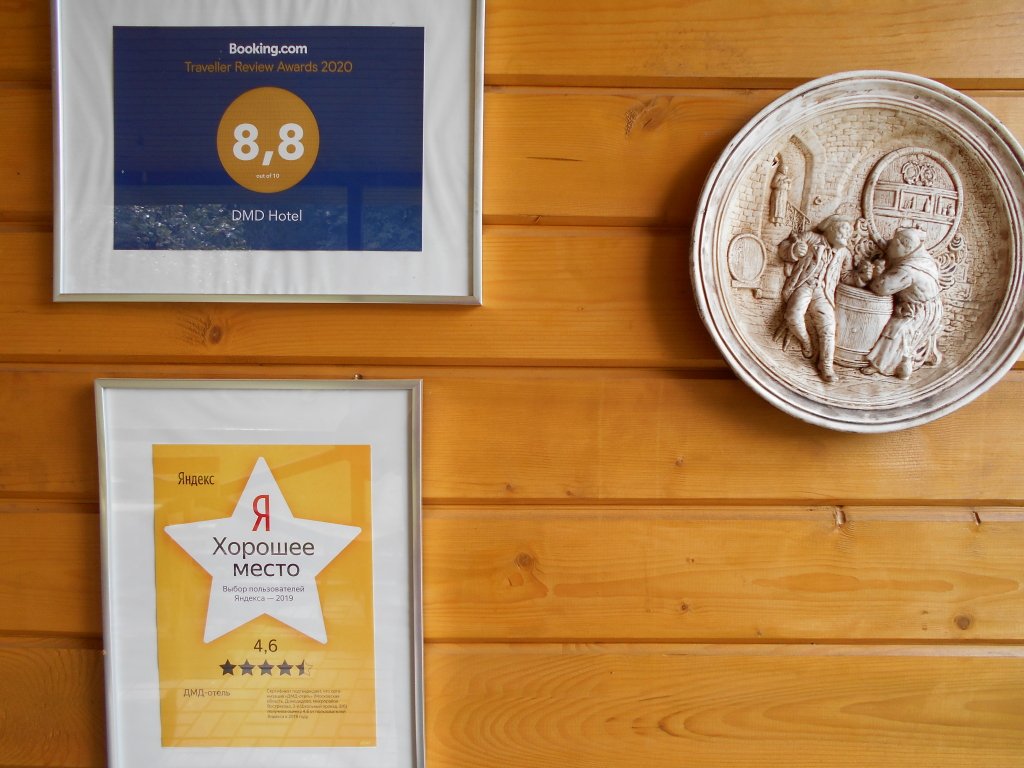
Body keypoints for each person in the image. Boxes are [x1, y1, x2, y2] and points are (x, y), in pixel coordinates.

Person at [778, 214, 855, 382]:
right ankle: (806, 342)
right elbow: (784, 249)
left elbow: (846, 276)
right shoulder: (811, 238)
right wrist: (793, 250)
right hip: (804, 285)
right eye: (843, 231)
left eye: (849, 233)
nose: (847, 235)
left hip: (823, 292)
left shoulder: (844, 253)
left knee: (828, 327)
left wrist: (863, 278)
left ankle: (826, 365)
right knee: (792, 316)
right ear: (831, 229)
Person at [862, 227, 943, 380]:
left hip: (920, 312)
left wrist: (878, 273)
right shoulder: (924, 260)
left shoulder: (908, 270)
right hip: (929, 307)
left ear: (906, 247)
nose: (889, 246)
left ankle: (881, 364)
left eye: (894, 244)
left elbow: (881, 288)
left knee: (896, 329)